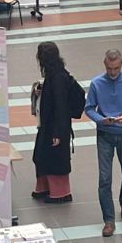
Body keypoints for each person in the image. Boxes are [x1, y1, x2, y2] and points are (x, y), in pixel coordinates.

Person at [85, 49, 122, 236]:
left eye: (116, 68)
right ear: (105, 65)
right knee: (105, 178)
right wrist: (100, 120)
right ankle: (108, 220)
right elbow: (89, 109)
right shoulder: (96, 84)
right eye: (110, 68)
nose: (113, 72)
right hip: (105, 134)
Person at [32, 42, 86, 204]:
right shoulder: (56, 74)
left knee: (53, 158)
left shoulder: (57, 78)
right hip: (51, 125)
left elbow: (60, 106)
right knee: (42, 156)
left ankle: (60, 193)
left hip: (55, 127)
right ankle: (47, 188)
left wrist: (58, 133)